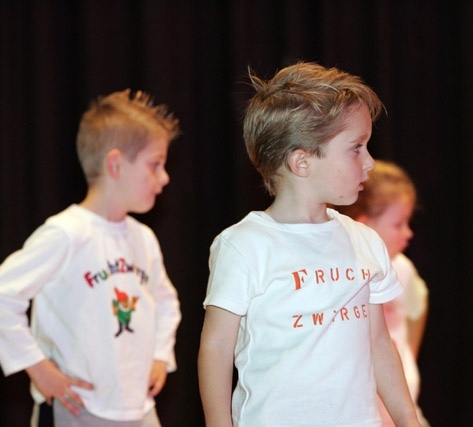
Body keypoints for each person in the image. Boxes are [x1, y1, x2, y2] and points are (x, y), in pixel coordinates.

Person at [198, 61, 421, 427]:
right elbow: (216, 348)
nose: (369, 162)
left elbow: (380, 344)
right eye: (356, 148)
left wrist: (408, 420)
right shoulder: (244, 246)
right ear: (302, 162)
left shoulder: (365, 242)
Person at [0, 89, 182, 427]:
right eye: (155, 165)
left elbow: (166, 302)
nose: (164, 177)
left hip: (139, 410)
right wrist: (38, 369)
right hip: (77, 410)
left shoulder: (143, 238)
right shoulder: (66, 233)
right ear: (116, 164)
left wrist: (160, 355)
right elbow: (3, 294)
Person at [336, 160, 430, 427]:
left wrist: (405, 361)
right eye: (398, 224)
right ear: (364, 225)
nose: (408, 233)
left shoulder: (403, 269)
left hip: (401, 411)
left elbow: (417, 307)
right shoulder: (341, 273)